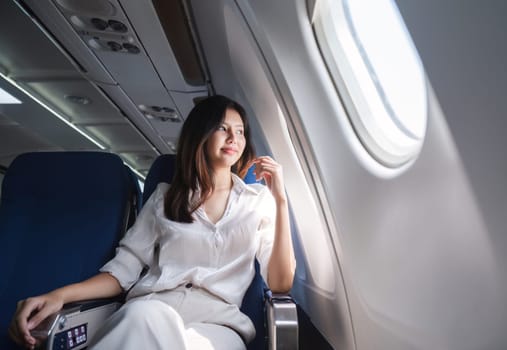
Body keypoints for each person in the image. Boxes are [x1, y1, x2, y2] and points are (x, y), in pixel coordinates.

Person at [8, 95, 296, 350]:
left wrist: (280, 200)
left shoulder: (257, 201)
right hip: (150, 310)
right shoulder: (165, 197)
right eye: (222, 128)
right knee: (145, 317)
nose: (234, 138)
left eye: (240, 131)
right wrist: (59, 296)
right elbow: (122, 272)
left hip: (216, 329)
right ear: (200, 135)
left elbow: (280, 282)